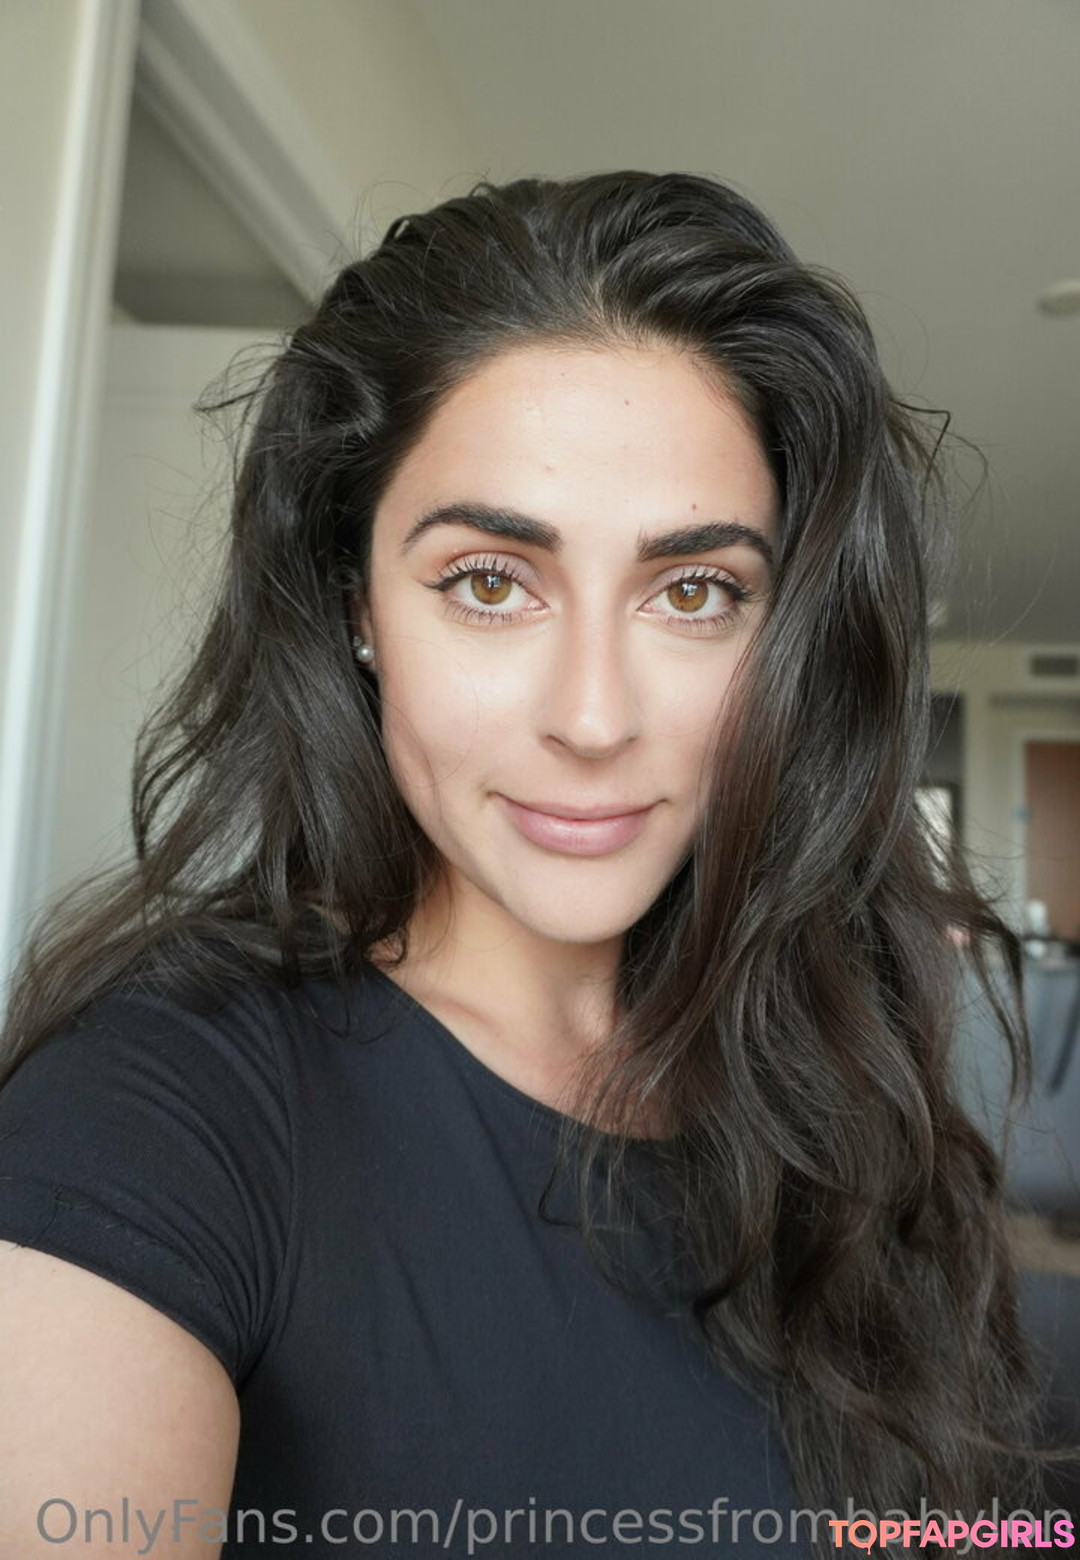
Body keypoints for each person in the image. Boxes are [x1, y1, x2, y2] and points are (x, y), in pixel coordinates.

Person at [0, 171, 1074, 1559]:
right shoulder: (159, 1112)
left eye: (695, 592)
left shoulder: (833, 1081)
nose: (593, 717)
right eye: (491, 582)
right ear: (357, 605)